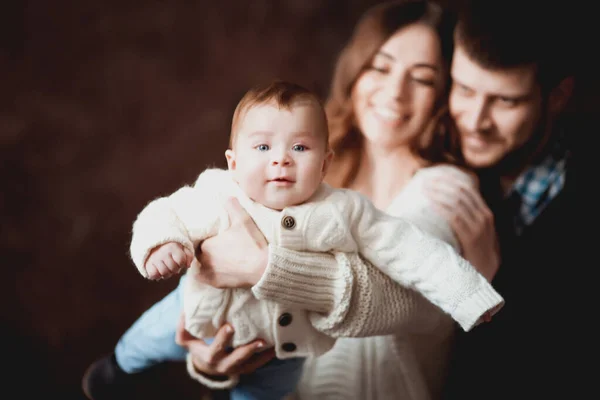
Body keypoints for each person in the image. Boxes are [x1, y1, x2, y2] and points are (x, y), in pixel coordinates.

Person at [82, 1, 502, 399]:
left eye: (423, 78)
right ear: (355, 70)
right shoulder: (286, 172)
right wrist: (213, 362)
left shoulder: (445, 188)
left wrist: (260, 266)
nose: (395, 91)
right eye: (381, 66)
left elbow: (410, 292)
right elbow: (176, 222)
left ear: (445, 93)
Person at [438, 1, 585, 398]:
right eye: (465, 89)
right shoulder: (437, 155)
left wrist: (489, 287)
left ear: (558, 96)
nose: (474, 121)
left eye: (506, 101)